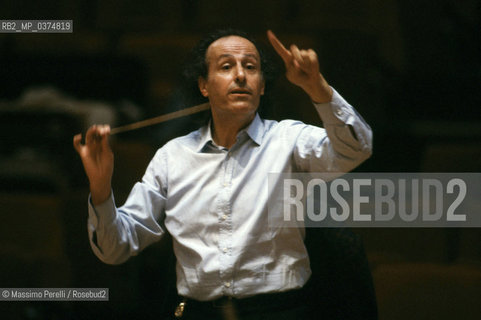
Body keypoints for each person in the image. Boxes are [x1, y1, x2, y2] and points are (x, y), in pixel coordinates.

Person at [73, 29, 373, 319]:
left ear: (262, 85)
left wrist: (316, 86)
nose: (241, 75)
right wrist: (100, 188)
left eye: (251, 67)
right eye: (227, 66)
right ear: (204, 86)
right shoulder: (172, 156)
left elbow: (356, 148)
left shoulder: (289, 139)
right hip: (197, 313)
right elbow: (116, 248)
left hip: (281, 312)